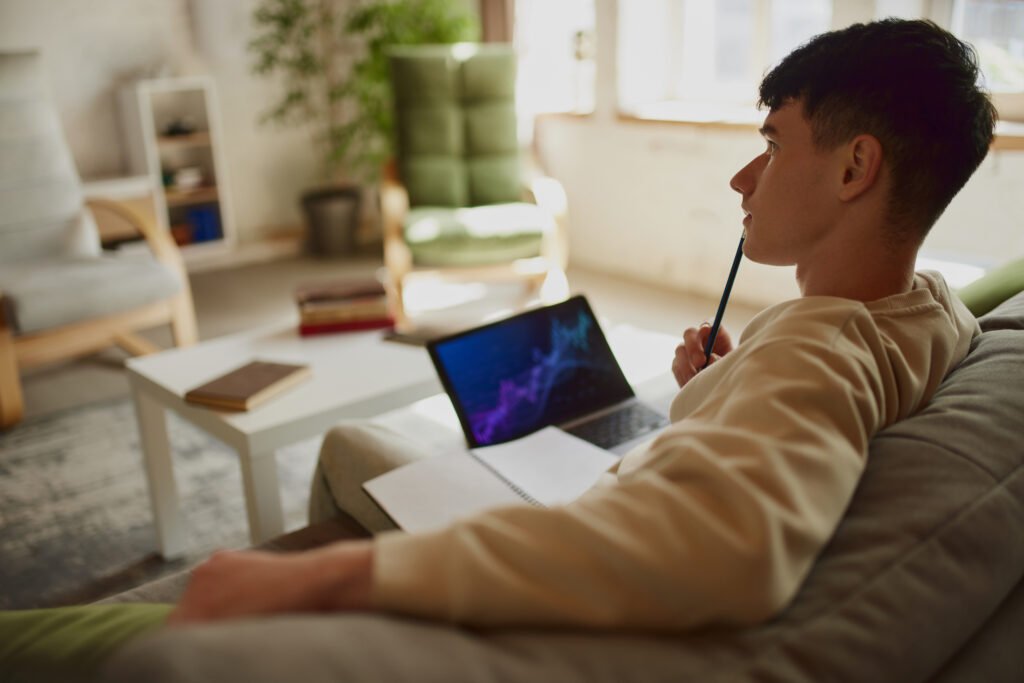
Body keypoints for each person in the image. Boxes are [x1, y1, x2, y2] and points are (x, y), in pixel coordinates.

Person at [0, 16, 999, 676]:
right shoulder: (932, 309)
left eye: (774, 141)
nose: (745, 175)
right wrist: (719, 378)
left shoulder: (812, 354)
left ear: (854, 166)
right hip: (654, 453)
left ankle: (322, 552)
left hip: (596, 524)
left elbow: (725, 542)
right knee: (419, 442)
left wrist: (321, 579)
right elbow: (813, 400)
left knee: (352, 448)